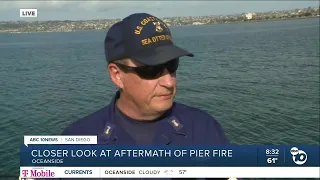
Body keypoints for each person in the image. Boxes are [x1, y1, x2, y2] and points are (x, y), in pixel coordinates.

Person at [61, 13, 236, 180]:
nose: (169, 82)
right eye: (151, 69)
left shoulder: (202, 129)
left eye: (172, 65)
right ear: (117, 75)